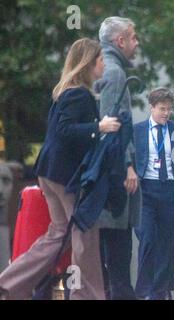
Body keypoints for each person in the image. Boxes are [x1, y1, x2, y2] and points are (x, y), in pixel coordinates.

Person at [0, 38, 121, 300]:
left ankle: (7, 285)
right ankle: (87, 295)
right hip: (66, 177)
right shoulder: (78, 93)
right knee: (85, 232)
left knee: (58, 235)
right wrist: (99, 127)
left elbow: (59, 132)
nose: (104, 64)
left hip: (51, 173)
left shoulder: (67, 91)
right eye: (101, 60)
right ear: (89, 63)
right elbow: (65, 131)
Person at [94, 16, 141, 300]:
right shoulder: (114, 73)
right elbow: (112, 125)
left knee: (110, 255)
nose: (137, 43)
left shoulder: (103, 68)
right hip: (114, 178)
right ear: (120, 41)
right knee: (118, 252)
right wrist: (127, 166)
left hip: (105, 177)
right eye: (133, 37)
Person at [133, 87, 174, 300]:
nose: (166, 113)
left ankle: (158, 293)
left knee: (166, 247)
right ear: (152, 107)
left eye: (169, 109)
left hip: (170, 192)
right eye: (162, 109)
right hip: (146, 192)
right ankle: (143, 292)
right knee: (148, 239)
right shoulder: (137, 130)